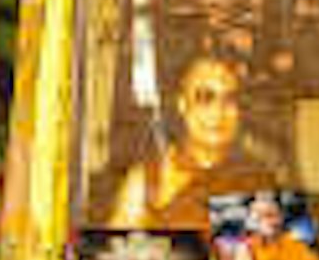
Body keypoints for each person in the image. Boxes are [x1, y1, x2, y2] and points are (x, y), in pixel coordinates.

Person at [98, 45, 284, 234]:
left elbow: (284, 258)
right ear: (182, 105)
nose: (218, 112)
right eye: (205, 98)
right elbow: (113, 255)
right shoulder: (148, 178)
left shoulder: (256, 179)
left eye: (229, 99)